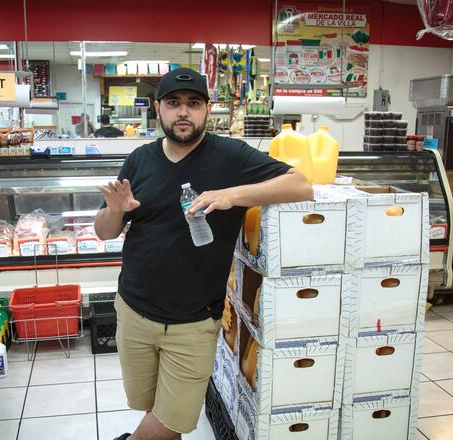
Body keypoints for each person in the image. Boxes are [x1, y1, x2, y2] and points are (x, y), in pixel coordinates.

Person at [95, 68, 312, 440]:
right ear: (159, 109)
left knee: (170, 421)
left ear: (207, 110)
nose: (183, 112)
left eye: (193, 104)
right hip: (133, 311)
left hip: (193, 322)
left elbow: (301, 185)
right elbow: (105, 232)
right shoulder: (140, 159)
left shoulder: (231, 156)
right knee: (155, 411)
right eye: (174, 103)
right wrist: (116, 209)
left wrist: (232, 196)